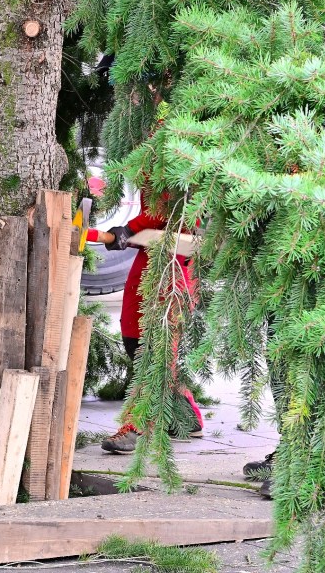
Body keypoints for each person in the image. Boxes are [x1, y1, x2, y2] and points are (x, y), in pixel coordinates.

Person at [98, 189, 204, 453]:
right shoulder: (148, 165)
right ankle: (185, 416)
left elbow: (168, 206)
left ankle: (138, 425)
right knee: (134, 334)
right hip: (154, 253)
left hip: (175, 259)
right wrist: (133, 236)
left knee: (155, 347)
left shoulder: (176, 163)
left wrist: (130, 229)